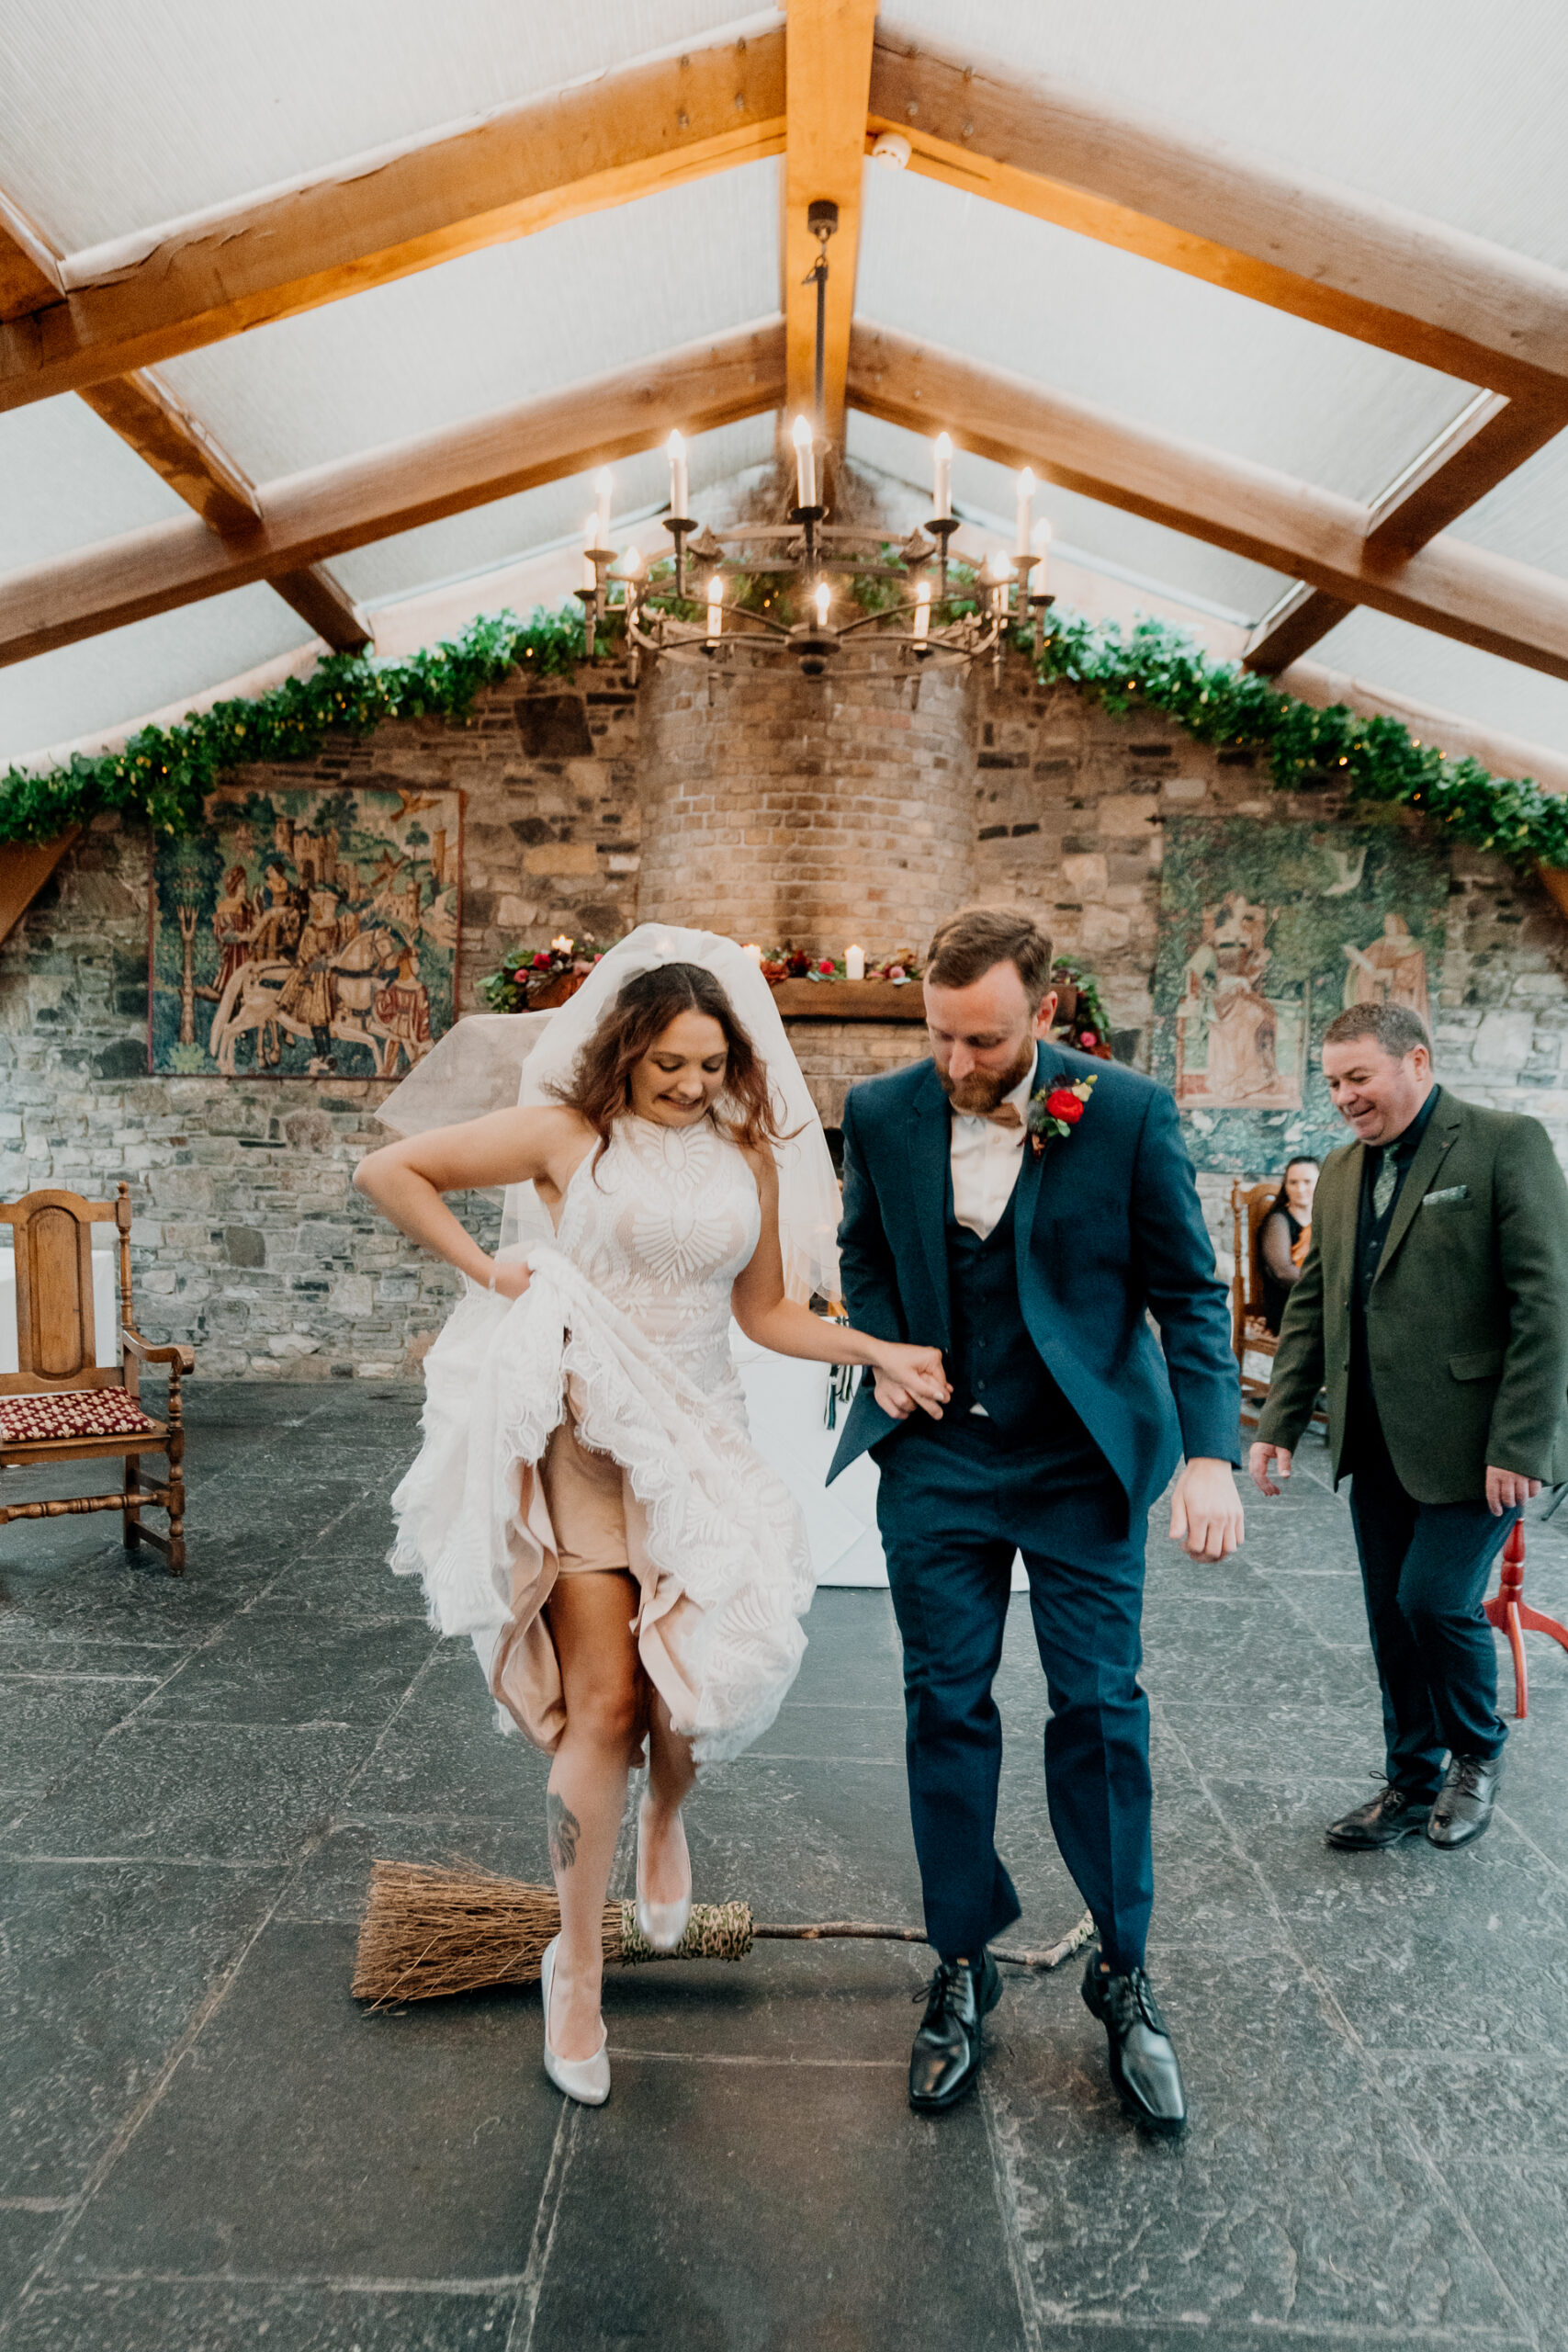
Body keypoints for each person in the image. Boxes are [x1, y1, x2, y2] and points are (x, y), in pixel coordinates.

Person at [354, 932, 948, 2109]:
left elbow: (768, 1311)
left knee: (697, 1687)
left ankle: (667, 1805)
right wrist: (490, 1268)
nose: (691, 1084)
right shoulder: (566, 1138)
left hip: (700, 1430)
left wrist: (873, 1343)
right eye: (670, 1062)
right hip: (585, 1435)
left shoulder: (746, 1154)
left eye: (712, 1063)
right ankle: (574, 1965)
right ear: (625, 1051)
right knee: (609, 1698)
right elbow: (393, 1172)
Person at [829, 906, 1244, 2137]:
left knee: (1100, 1707)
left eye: (988, 1041)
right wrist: (883, 1352)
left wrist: (1209, 1454)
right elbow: (860, 1257)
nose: (960, 1066)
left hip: (1079, 1465)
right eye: (942, 1039)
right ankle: (958, 1959)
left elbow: (1187, 1291)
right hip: (939, 1463)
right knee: (941, 1705)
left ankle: (1121, 1966)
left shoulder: (1119, 1113)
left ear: (1046, 1014)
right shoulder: (878, 1113)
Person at [1250, 1002, 1568, 1853]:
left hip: (1481, 1439)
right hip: (1374, 1434)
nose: (1345, 1098)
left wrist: (1520, 1443)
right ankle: (1408, 1782)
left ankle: (1476, 1749)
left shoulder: (1505, 1143)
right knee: (1389, 1616)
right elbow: (1315, 1302)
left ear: (1416, 1062)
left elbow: (1547, 1305)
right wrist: (1280, 1419)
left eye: (1359, 1078)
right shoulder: (1344, 1169)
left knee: (1432, 1600)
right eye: (1332, 1083)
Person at [1258, 1156, 1319, 1335]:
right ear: (1285, 1185)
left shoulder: (1329, 1217)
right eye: (1293, 1182)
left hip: (1321, 1302)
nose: (1300, 1189)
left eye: (1307, 1182)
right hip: (1290, 1307)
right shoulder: (1277, 1221)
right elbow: (1283, 1272)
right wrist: (1328, 1289)